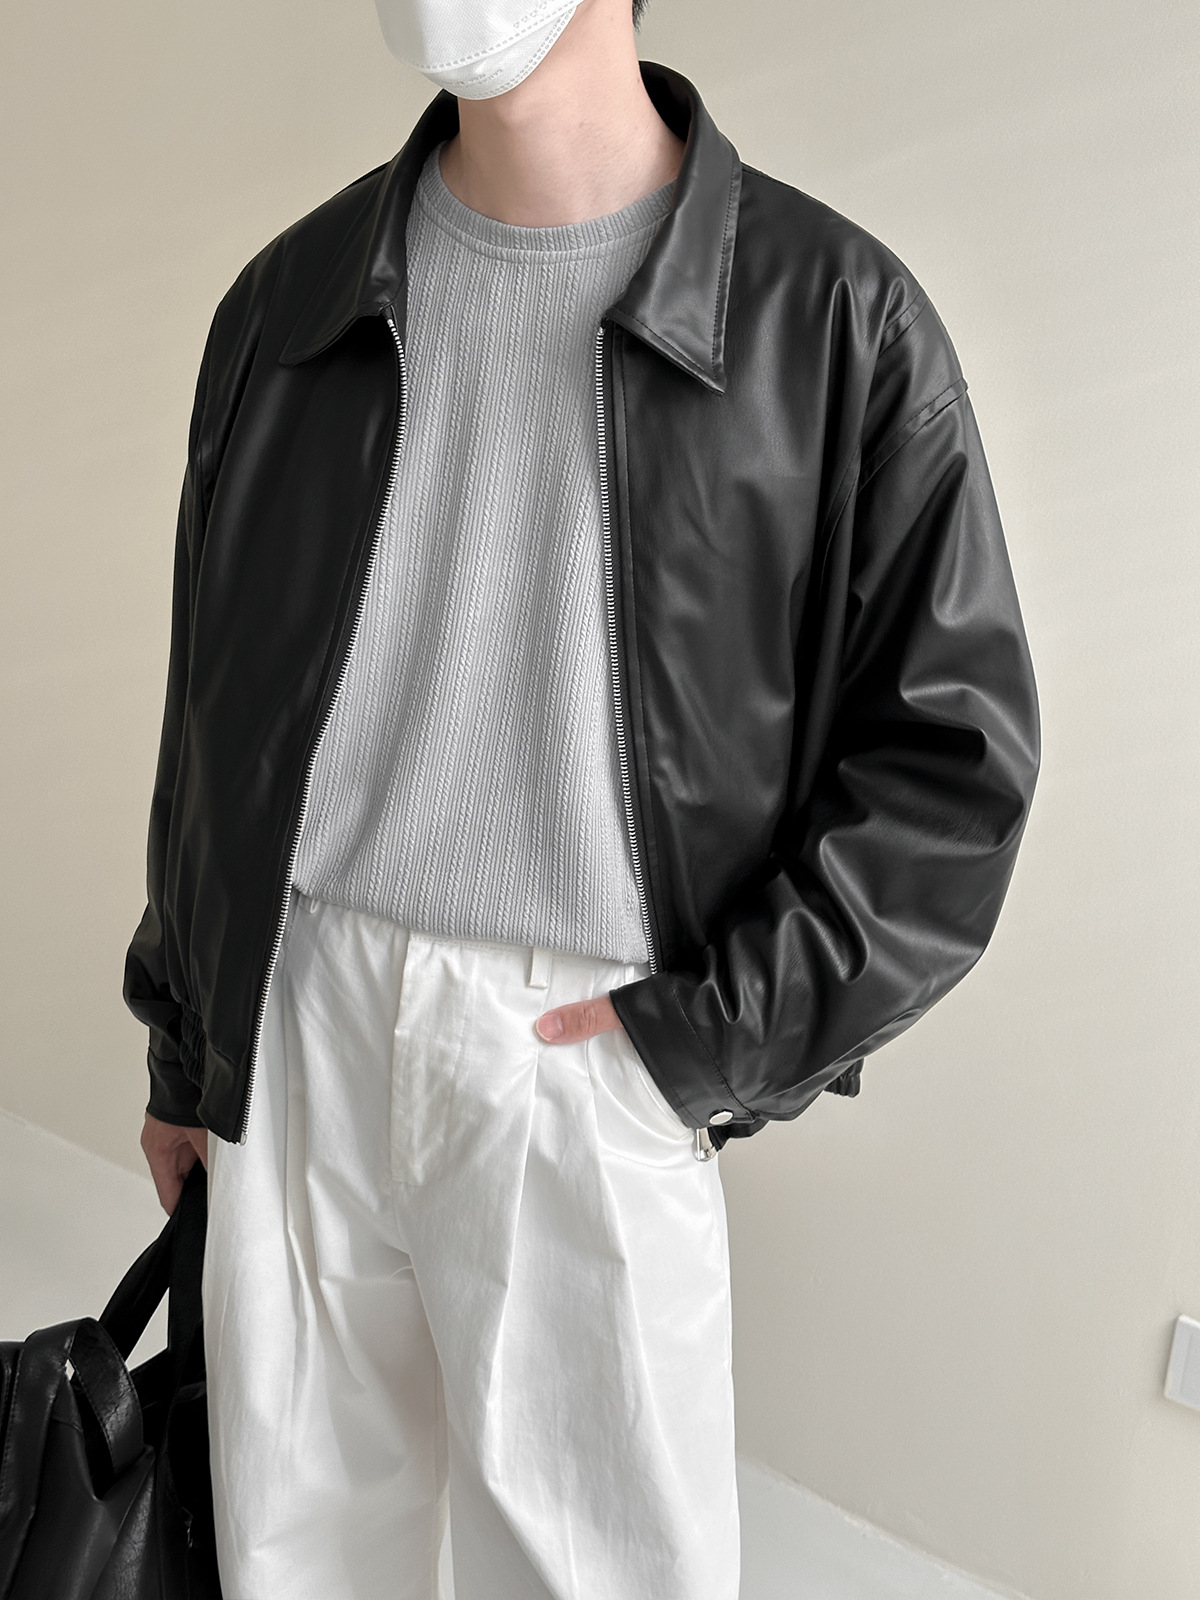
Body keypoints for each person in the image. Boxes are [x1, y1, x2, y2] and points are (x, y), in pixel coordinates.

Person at [125, 0, 1041, 1595]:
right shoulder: (286, 301)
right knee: (290, 1558)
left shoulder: (832, 320)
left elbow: (950, 772)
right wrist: (188, 1035)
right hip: (297, 1018)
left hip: (586, 1043)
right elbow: (211, 710)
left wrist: (703, 1044)